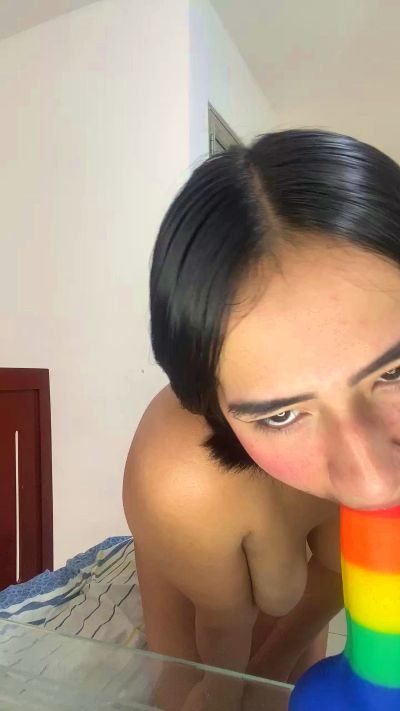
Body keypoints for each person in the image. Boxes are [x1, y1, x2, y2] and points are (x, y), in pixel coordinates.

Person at [123, 129, 400, 708]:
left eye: (394, 372)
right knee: (188, 691)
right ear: (217, 408)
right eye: (281, 414)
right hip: (197, 524)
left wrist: (275, 670)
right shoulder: (182, 482)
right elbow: (222, 636)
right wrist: (233, 690)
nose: (373, 481)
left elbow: (333, 591)